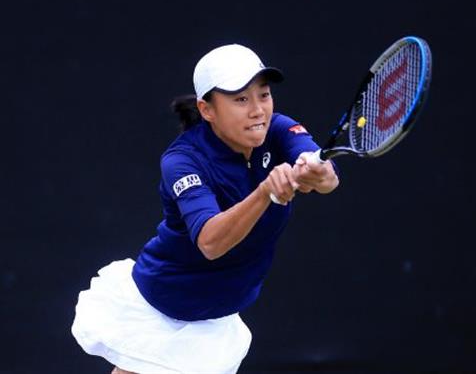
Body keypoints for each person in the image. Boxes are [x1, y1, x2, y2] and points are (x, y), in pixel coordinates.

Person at [71, 43, 339, 374]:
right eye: (241, 100)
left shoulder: (280, 130)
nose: (258, 110)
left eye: (264, 95)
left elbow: (327, 178)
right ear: (207, 109)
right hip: (164, 307)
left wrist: (317, 172)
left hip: (218, 316)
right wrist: (265, 193)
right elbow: (211, 243)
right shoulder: (182, 160)